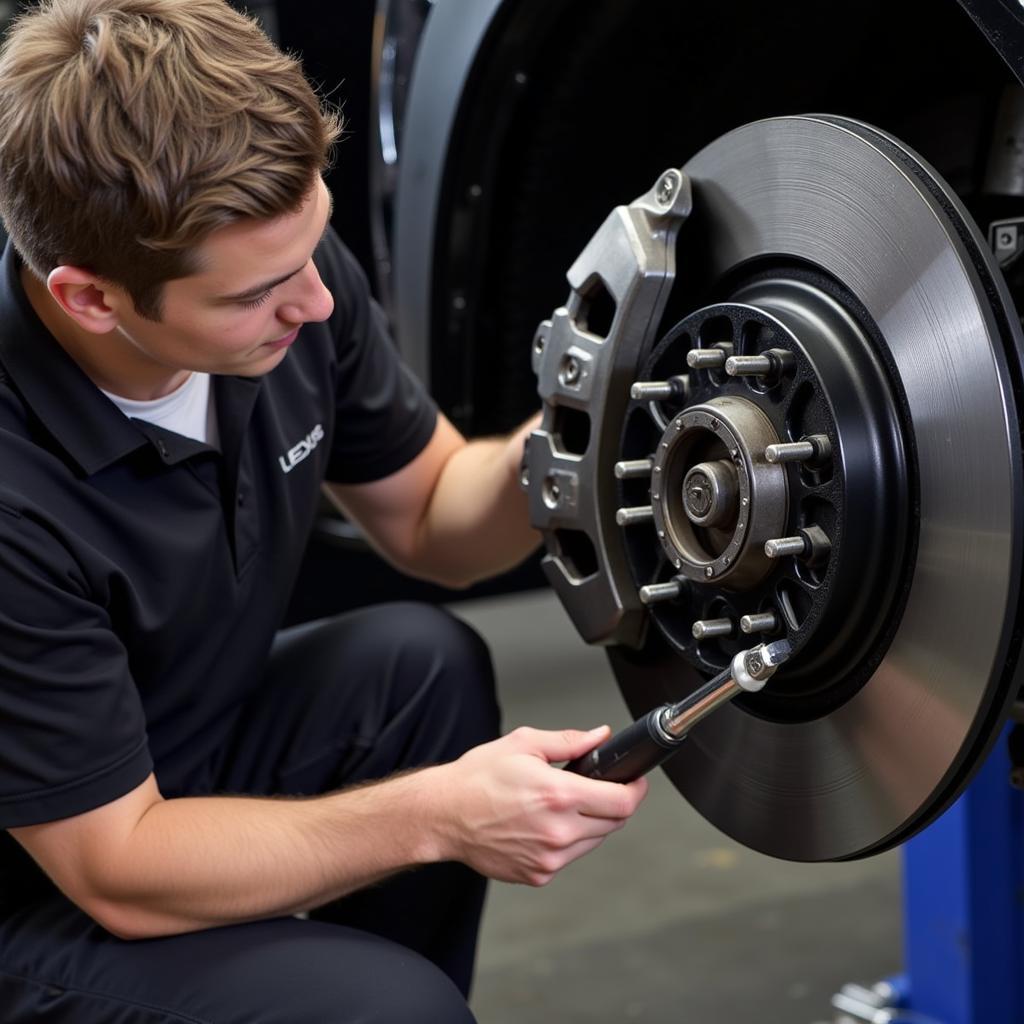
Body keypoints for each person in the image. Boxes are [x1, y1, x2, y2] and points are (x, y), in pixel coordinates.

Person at [0, 0, 648, 1020]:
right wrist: (436, 817)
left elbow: (434, 514)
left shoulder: (275, 268)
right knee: (385, 1008)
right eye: (261, 292)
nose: (318, 305)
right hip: (45, 881)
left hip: (162, 766)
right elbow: (115, 865)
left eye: (315, 247)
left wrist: (595, 430)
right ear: (91, 299)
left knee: (417, 672)